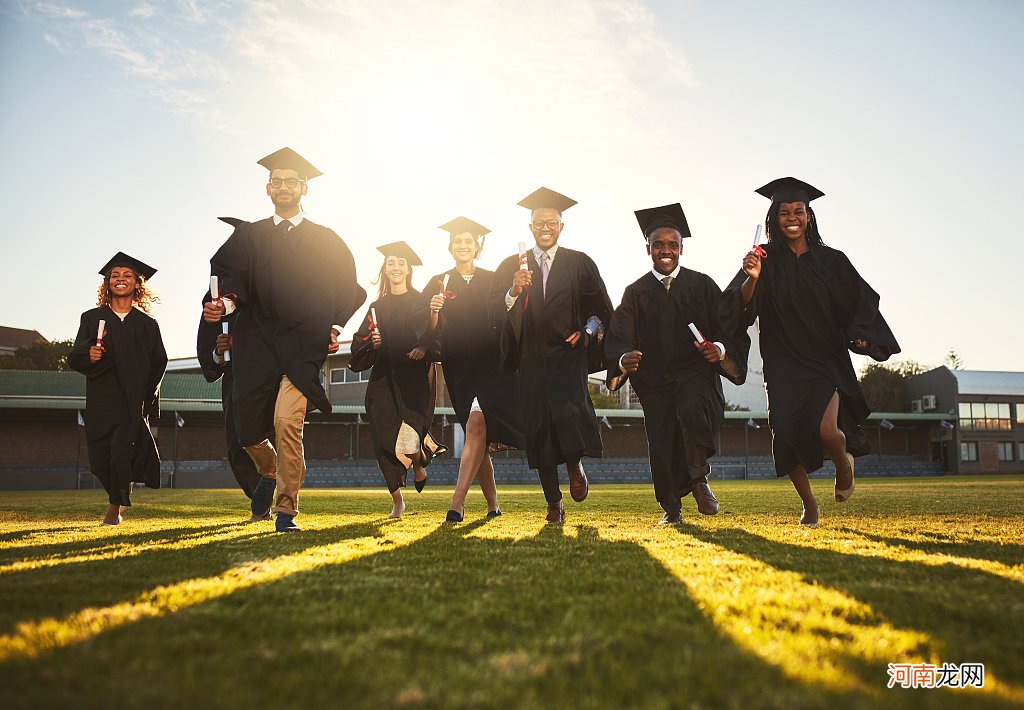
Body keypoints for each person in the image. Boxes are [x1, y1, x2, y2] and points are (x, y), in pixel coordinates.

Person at [204, 148, 366, 533]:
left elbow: (347, 286)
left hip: (302, 343)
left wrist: (334, 326)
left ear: (304, 188)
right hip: (256, 342)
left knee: (287, 423)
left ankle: (286, 509)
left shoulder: (325, 239)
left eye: (291, 181)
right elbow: (229, 275)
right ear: (268, 188)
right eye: (277, 181)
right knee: (245, 429)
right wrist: (225, 303)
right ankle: (271, 469)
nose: (284, 187)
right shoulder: (250, 235)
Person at [726, 177, 900, 527]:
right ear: (773, 218)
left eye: (799, 211)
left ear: (809, 216)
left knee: (825, 431)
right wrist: (753, 277)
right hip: (781, 360)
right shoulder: (763, 258)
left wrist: (861, 338)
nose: (792, 217)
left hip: (824, 357)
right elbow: (737, 307)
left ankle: (842, 462)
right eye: (784, 212)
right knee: (787, 435)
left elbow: (859, 301)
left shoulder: (831, 260)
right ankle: (809, 505)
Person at [605, 204, 746, 525]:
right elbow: (620, 336)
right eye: (658, 245)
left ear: (682, 248)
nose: (665, 251)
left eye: (672, 245)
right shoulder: (635, 292)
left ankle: (699, 480)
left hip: (694, 373)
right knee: (662, 441)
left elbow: (728, 324)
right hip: (654, 381)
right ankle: (671, 509)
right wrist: (623, 359)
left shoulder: (702, 285)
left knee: (693, 408)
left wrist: (720, 350)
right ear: (648, 249)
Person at [490, 187, 613, 523]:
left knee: (569, 414)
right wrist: (513, 289)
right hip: (530, 359)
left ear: (561, 226)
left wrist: (586, 333)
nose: (545, 227)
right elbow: (493, 310)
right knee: (539, 429)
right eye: (539, 223)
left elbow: (601, 308)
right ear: (530, 227)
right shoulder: (512, 265)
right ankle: (553, 501)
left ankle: (575, 466)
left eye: (552, 222)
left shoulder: (580, 263)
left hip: (566, 355)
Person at [423, 216, 524, 523]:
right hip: (458, 368)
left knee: (477, 425)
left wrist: (516, 292)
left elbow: (508, 314)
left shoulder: (494, 278)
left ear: (478, 246)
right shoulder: (440, 281)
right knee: (475, 432)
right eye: (458, 241)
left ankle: (457, 502)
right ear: (451, 246)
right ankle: (493, 505)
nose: (463, 245)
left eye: (469, 241)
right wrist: (433, 312)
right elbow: (429, 330)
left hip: (492, 364)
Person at [68, 252, 167, 526]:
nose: (120, 280)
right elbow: (74, 356)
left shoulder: (147, 325)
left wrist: (146, 396)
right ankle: (119, 495)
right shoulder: (91, 318)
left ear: (137, 284)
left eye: (127, 276)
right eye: (115, 276)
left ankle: (114, 510)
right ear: (108, 283)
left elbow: (159, 361)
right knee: (100, 460)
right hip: (101, 398)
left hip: (131, 401)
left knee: (122, 454)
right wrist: (90, 354)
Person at [349, 241, 447, 518]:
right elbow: (360, 343)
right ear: (385, 269)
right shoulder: (376, 307)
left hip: (414, 378)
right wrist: (373, 344)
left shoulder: (420, 300)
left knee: (407, 442)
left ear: (408, 269)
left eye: (400, 263)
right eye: (391, 262)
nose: (395, 267)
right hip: (382, 379)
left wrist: (432, 320)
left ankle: (419, 459)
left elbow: (433, 333)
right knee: (382, 439)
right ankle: (397, 501)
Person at [196, 217, 266, 520]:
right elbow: (208, 350)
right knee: (239, 441)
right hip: (237, 378)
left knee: (274, 433)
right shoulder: (217, 298)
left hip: (270, 374)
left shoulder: (271, 292)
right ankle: (259, 494)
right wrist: (218, 351)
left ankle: (270, 499)